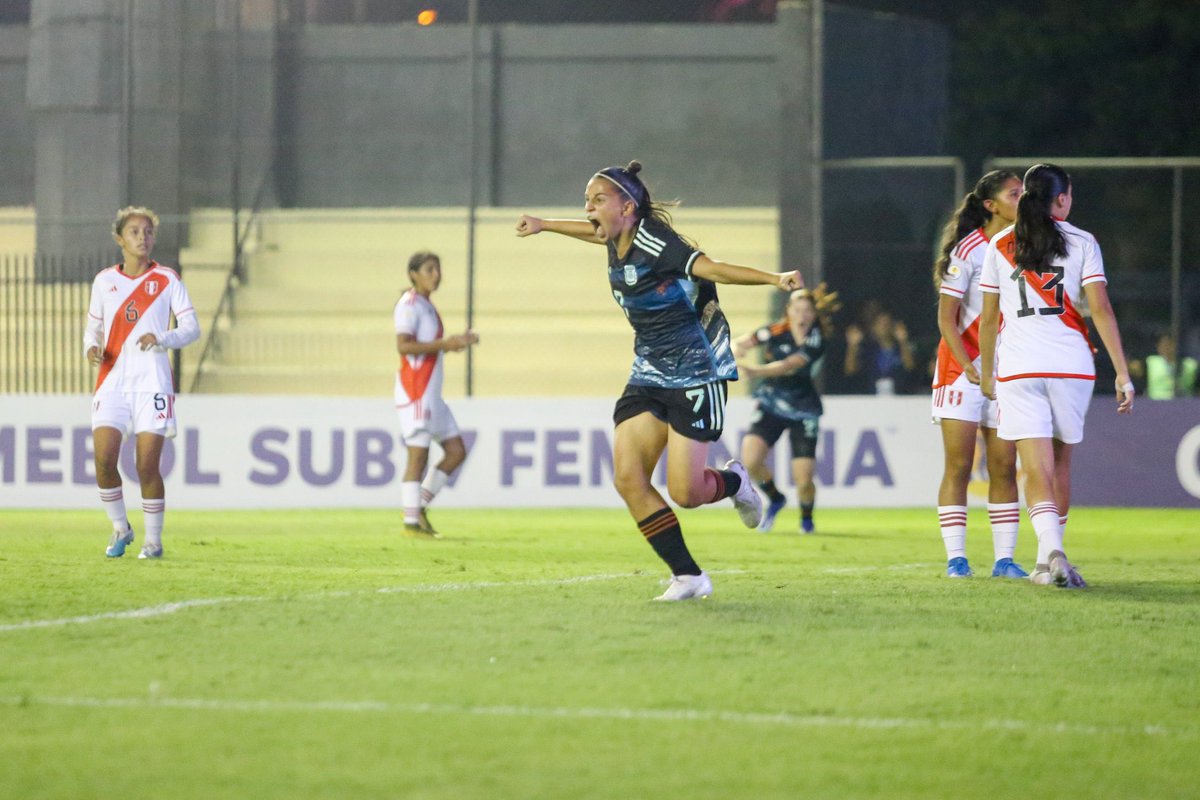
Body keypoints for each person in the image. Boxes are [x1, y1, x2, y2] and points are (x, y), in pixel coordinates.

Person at [515, 160, 803, 601]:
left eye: (597, 200)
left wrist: (774, 278)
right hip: (649, 372)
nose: (589, 210)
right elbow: (589, 231)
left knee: (686, 493)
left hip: (696, 374)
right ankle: (689, 576)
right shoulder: (612, 235)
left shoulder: (657, 243)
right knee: (629, 479)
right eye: (586, 201)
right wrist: (544, 225)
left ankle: (734, 483)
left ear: (627, 207)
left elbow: (715, 268)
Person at [979, 164, 1135, 588]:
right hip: (1071, 365)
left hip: (1019, 367)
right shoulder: (1082, 241)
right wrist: (1122, 372)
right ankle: (1051, 558)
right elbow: (1100, 309)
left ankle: (1050, 554)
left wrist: (987, 372)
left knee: (1034, 468)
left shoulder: (1000, 244)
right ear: (1061, 199)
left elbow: (989, 319)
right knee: (1061, 461)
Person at [84, 206, 200, 559]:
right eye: (134, 231)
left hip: (153, 383)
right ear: (119, 238)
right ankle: (121, 527)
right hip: (113, 381)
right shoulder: (105, 281)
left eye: (148, 232)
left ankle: (153, 541)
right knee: (104, 460)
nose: (142, 237)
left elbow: (192, 328)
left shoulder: (166, 279)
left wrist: (162, 338)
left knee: (146, 466)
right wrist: (91, 346)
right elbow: (93, 327)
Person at [930, 170, 1028, 579]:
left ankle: (1004, 560)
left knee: (1004, 467)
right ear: (991, 205)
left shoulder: (1025, 246)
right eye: (1014, 193)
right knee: (959, 466)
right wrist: (969, 366)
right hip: (961, 372)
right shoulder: (969, 249)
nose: (1022, 198)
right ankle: (957, 559)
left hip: (1006, 373)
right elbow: (946, 318)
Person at [732, 286, 833, 534]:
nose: (802, 315)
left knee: (803, 479)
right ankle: (776, 498)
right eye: (797, 309)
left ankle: (806, 518)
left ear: (813, 314)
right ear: (788, 311)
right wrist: (737, 350)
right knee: (751, 459)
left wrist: (754, 371)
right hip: (771, 402)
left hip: (804, 408)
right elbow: (740, 342)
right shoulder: (776, 329)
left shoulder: (817, 339)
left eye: (807, 310)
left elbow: (789, 365)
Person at [394, 251, 479, 538]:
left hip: (432, 395)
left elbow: (432, 344)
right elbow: (404, 346)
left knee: (456, 451)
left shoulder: (426, 305)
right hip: (416, 390)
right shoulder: (409, 305)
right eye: (429, 269)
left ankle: (417, 508)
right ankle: (411, 524)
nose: (436, 274)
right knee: (418, 458)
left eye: (438, 269)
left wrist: (456, 342)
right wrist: (445, 343)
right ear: (413, 274)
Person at [843, 307, 916, 394]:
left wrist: (903, 341)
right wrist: (852, 346)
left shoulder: (900, 348)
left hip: (900, 395)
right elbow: (850, 371)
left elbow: (910, 367)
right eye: (880, 323)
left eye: (887, 323)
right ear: (873, 327)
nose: (884, 327)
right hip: (871, 396)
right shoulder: (867, 350)